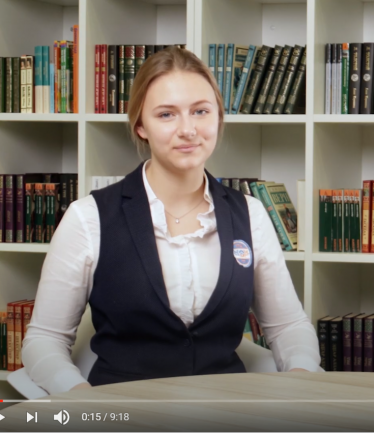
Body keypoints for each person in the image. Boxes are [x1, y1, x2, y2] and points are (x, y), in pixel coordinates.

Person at [23, 47, 320, 395]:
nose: (188, 130)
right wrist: (80, 398)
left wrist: (300, 376)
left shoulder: (250, 215)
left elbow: (287, 326)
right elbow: (45, 339)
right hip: (124, 412)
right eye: (166, 114)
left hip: (228, 410)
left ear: (218, 117)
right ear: (141, 126)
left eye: (200, 111)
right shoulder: (88, 218)